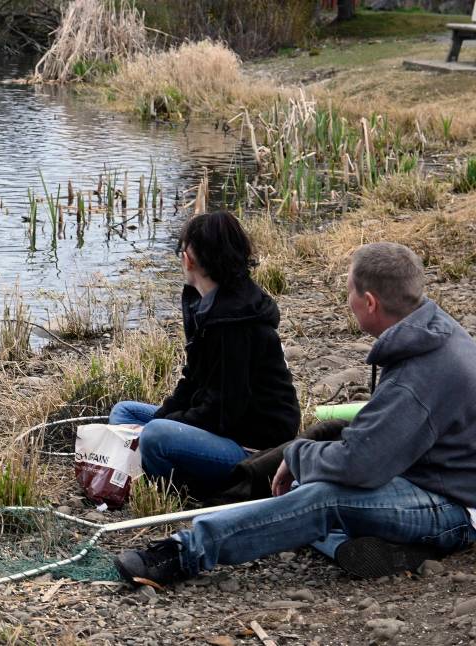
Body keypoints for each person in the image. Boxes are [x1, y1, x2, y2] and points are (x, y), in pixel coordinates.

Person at [115, 242, 476, 585]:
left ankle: (183, 553)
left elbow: (359, 465)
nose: (346, 300)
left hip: (452, 508)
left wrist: (296, 454)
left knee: (321, 497)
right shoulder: (434, 333)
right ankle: (381, 549)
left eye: (349, 291)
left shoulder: (419, 375)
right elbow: (380, 435)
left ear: (368, 302)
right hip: (428, 478)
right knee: (305, 490)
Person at [109, 211, 300, 496]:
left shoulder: (233, 322)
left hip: (253, 448)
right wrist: (165, 413)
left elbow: (223, 412)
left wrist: (165, 424)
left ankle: (184, 490)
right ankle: (135, 471)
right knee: (125, 413)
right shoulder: (209, 302)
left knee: (155, 436)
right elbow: (192, 379)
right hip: (223, 426)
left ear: (189, 259)